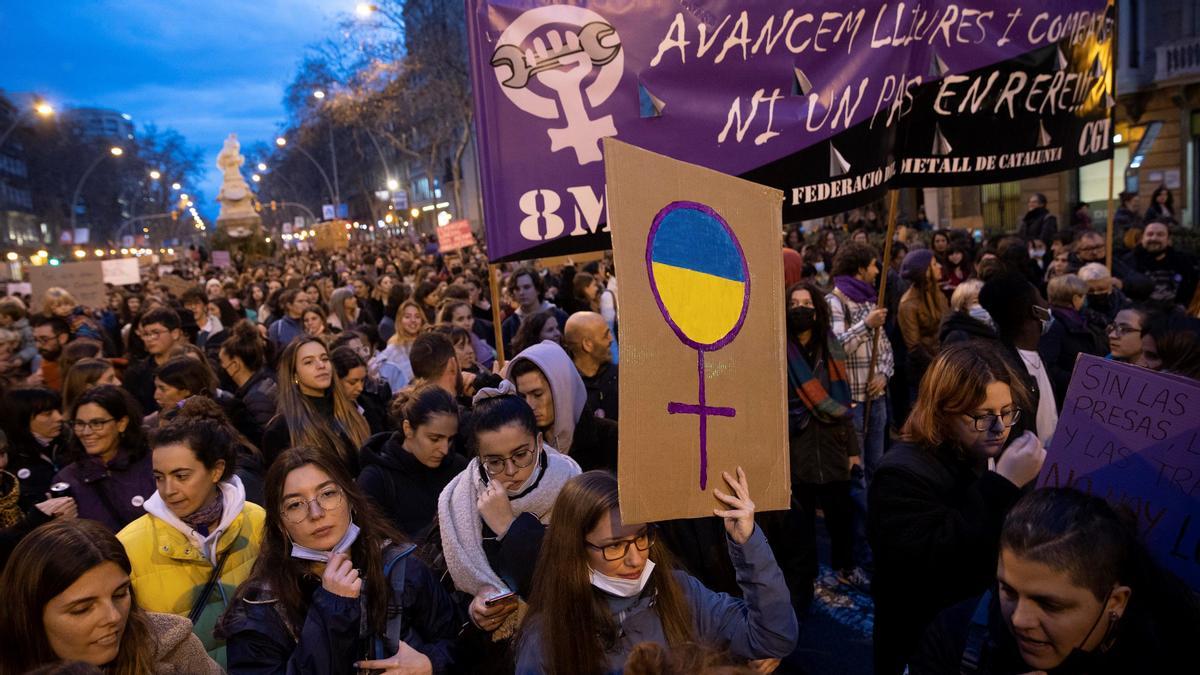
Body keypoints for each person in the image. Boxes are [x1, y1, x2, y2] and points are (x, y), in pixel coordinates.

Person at [868, 343, 1045, 675]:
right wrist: (1002, 485)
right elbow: (929, 565)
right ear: (941, 410)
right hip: (917, 642)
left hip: (968, 636)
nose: (999, 428)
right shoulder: (901, 472)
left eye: (1007, 412)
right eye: (980, 416)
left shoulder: (983, 452)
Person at [515, 470, 798, 673]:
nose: (636, 559)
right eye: (614, 546)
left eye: (641, 537)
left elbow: (774, 638)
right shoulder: (546, 637)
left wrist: (747, 544)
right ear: (575, 550)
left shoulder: (681, 591)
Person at [220, 446, 461, 674]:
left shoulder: (403, 567)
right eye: (295, 505)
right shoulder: (260, 608)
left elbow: (459, 643)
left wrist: (431, 663)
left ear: (351, 499)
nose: (316, 513)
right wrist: (333, 607)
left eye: (327, 494)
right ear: (281, 525)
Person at [910, 488, 1200, 674]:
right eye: (1007, 590)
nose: (1020, 619)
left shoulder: (1170, 651)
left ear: (1116, 602)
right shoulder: (956, 634)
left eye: (1049, 604)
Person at [437, 388, 582, 644]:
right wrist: (473, 609)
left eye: (521, 454)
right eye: (494, 462)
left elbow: (566, 584)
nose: (511, 470)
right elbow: (443, 594)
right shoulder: (458, 499)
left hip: (564, 643)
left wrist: (508, 527)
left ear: (538, 443)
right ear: (479, 458)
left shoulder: (571, 487)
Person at [116, 417, 265, 665]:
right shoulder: (128, 546)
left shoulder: (258, 520)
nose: (168, 490)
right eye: (159, 477)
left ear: (216, 470)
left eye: (181, 476)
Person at [0, 519, 222, 675]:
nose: (113, 617)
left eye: (119, 594)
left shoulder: (176, 648)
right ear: (29, 613)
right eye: (82, 608)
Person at [787, 281, 866, 594]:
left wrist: (853, 451)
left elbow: (841, 403)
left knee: (840, 518)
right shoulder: (782, 351)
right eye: (794, 304)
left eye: (806, 304)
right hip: (798, 446)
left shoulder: (830, 347)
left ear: (817, 310)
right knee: (801, 522)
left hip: (833, 445)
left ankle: (845, 567)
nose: (800, 309)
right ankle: (806, 578)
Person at [358, 384, 467, 539]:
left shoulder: (459, 468)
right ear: (408, 429)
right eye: (435, 439)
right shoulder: (375, 481)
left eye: (450, 439)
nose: (444, 449)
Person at [827, 242, 892, 488]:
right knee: (857, 470)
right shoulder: (835, 302)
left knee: (879, 464)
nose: (877, 272)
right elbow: (837, 350)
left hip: (877, 397)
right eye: (874, 266)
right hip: (852, 400)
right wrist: (866, 325)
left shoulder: (869, 301)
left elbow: (887, 350)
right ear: (860, 268)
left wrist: (884, 374)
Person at [52, 385, 154, 532]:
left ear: (121, 423)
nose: (86, 432)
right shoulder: (66, 480)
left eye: (97, 423)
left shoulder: (152, 466)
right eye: (80, 424)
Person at [261, 336, 369, 471]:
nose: (321, 365)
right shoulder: (281, 429)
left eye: (324, 359)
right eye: (308, 362)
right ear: (294, 375)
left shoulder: (351, 409)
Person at [507, 341, 618, 472]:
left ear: (562, 389)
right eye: (523, 397)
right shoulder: (521, 445)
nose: (529, 405)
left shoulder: (611, 438)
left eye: (537, 394)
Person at [0, 433, 77, 570]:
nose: (0, 463)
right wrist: (34, 522)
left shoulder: (14, 490)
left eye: (1, 453)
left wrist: (56, 521)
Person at [1041, 274, 1106, 408]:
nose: (1086, 300)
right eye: (1084, 296)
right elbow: (1049, 365)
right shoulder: (1055, 325)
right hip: (1065, 397)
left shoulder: (1077, 320)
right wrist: (1079, 380)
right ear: (1076, 299)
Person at [0, 386, 67, 514]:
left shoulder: (69, 445)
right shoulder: (9, 462)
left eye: (58, 410)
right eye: (48, 414)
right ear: (22, 419)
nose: (59, 417)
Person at [898, 249, 948, 396]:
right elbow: (914, 347)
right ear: (925, 271)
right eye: (934, 264)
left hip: (943, 361)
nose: (939, 266)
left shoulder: (936, 293)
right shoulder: (908, 303)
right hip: (924, 371)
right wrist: (938, 366)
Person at [217, 319, 278, 434]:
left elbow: (266, 440)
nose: (222, 366)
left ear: (235, 365)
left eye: (222, 361)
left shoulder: (256, 398)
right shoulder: (261, 384)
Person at [1119, 221, 1197, 310]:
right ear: (1142, 238)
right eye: (1149, 234)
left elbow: (1191, 290)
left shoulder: (1183, 262)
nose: (1154, 238)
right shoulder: (1128, 262)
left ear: (1168, 240)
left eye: (1160, 235)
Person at [121, 308, 185, 413]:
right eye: (146, 334)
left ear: (175, 333)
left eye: (155, 333)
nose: (150, 339)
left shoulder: (193, 367)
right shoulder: (135, 374)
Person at [562, 311, 619, 420]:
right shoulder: (565, 388)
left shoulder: (620, 377)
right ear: (587, 345)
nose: (611, 339)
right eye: (605, 335)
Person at [501, 268, 569, 357]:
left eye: (527, 287)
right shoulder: (509, 325)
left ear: (537, 289)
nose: (521, 293)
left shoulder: (560, 316)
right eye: (517, 289)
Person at [330, 346, 389, 434]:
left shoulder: (369, 404)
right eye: (352, 382)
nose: (360, 388)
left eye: (362, 380)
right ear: (336, 380)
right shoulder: (327, 414)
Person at [372, 299, 425, 392]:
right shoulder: (394, 345)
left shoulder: (427, 342)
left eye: (417, 317)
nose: (413, 320)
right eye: (407, 317)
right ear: (400, 320)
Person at [939, 280, 997, 346]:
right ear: (962, 306)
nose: (984, 306)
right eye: (976, 302)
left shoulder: (995, 328)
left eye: (987, 300)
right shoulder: (958, 337)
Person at [29, 315, 71, 391]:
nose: (38, 345)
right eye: (35, 340)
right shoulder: (41, 361)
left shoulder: (75, 368)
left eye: (44, 339)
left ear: (63, 338)